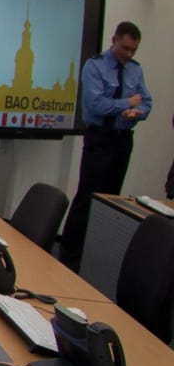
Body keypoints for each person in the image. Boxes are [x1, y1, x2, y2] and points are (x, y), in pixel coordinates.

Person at [60, 21, 151, 270]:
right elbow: (96, 104)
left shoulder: (135, 70)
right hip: (99, 139)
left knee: (110, 203)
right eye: (125, 48)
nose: (129, 54)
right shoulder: (95, 66)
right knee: (87, 198)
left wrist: (138, 112)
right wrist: (126, 103)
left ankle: (96, 262)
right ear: (114, 40)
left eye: (133, 50)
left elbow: (147, 102)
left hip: (123, 140)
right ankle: (68, 259)